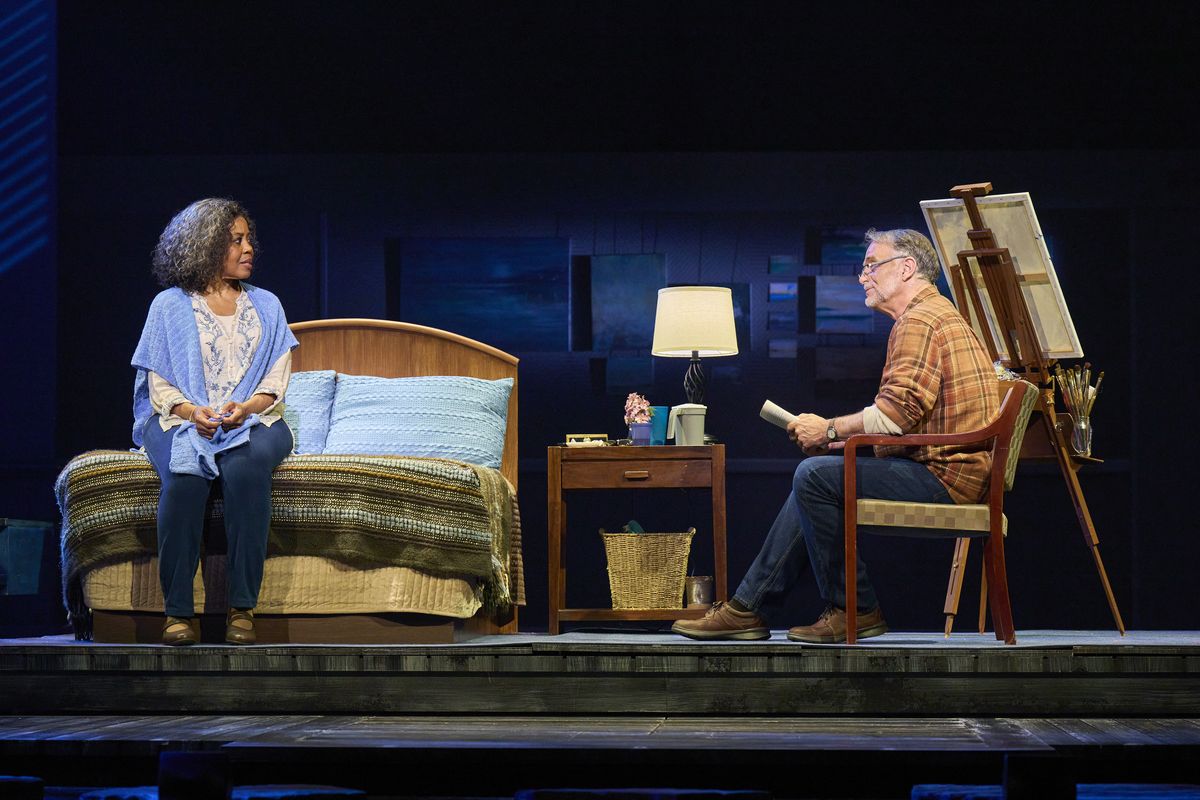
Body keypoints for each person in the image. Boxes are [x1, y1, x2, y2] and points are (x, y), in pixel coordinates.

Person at [673, 228, 998, 643]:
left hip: (947, 480)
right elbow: (917, 420)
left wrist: (827, 427)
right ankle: (746, 607)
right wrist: (844, 443)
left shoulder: (920, 321)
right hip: (946, 468)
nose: (862, 276)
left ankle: (855, 609)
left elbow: (897, 414)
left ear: (907, 267)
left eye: (871, 266)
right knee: (818, 476)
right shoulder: (934, 314)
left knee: (814, 476)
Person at [131, 198, 297, 646]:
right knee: (185, 476)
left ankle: (242, 608)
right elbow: (159, 384)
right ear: (205, 246)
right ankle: (177, 613)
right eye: (236, 241)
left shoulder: (267, 305)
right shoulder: (168, 306)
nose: (249, 249)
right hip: (179, 419)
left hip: (255, 418)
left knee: (244, 467)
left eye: (248, 240)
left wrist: (244, 409)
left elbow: (275, 382)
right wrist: (192, 413)